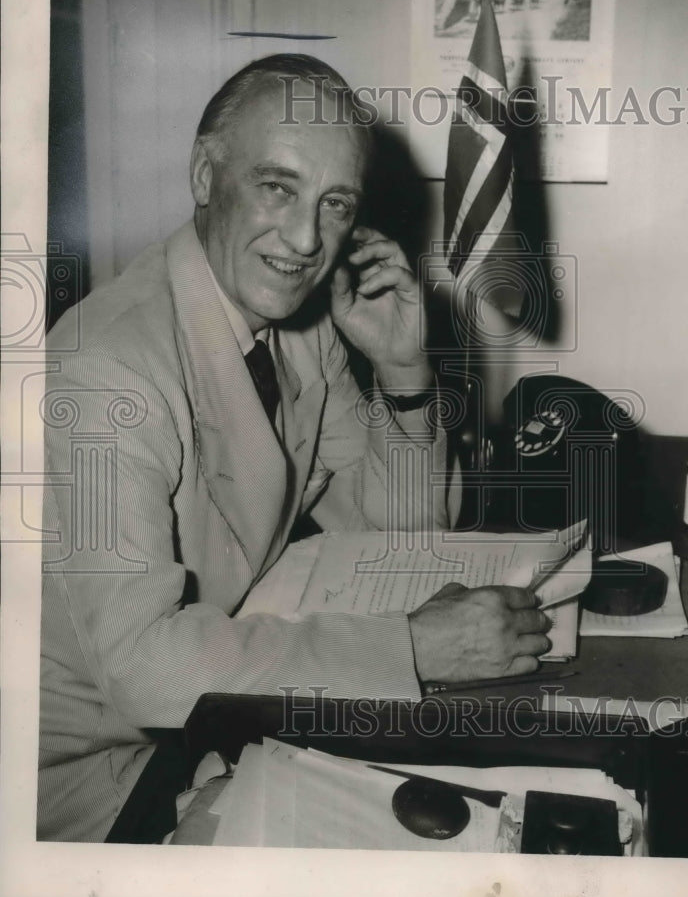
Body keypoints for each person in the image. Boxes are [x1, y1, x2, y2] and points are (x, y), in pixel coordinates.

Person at [38, 54, 551, 841]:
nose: (308, 238)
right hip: (92, 778)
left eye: (335, 203)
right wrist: (412, 648)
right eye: (277, 186)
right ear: (206, 175)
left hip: (211, 723)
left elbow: (397, 536)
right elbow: (146, 671)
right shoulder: (109, 370)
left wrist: (402, 369)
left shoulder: (294, 326)